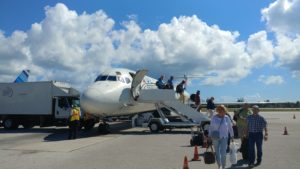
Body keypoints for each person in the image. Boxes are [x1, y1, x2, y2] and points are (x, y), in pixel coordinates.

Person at [208, 105, 234, 169]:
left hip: (224, 137)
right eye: (221, 111)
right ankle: (219, 165)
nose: (223, 113)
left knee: (223, 153)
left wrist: (232, 136)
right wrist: (209, 136)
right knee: (217, 152)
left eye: (224, 111)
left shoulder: (226, 117)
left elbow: (230, 127)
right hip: (215, 137)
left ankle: (223, 166)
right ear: (218, 111)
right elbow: (211, 127)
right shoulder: (214, 117)